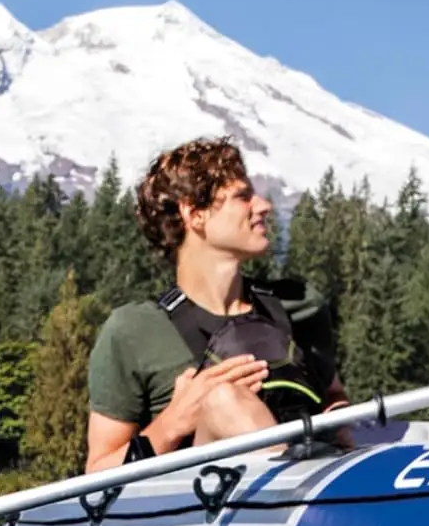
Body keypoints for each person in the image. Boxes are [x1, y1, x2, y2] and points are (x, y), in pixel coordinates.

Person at [86, 138, 346, 473]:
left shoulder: (298, 305)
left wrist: (342, 420)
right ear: (195, 215)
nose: (263, 205)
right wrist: (173, 422)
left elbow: (335, 402)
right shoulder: (133, 331)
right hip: (204, 507)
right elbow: (97, 472)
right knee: (223, 398)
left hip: (315, 489)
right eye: (242, 196)